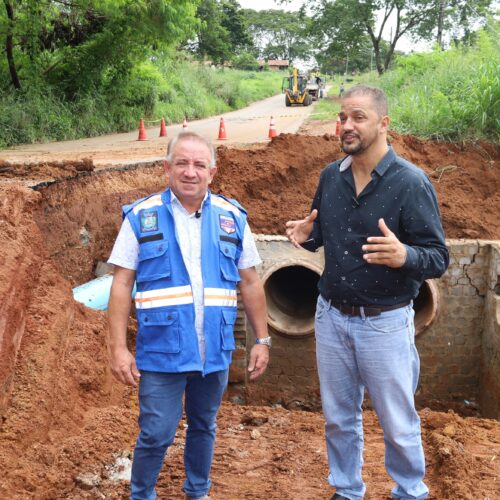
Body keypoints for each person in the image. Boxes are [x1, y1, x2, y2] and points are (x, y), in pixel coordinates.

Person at [285, 86, 449, 500]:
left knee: (396, 420)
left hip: (384, 323)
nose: (347, 125)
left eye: (358, 117)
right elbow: (321, 235)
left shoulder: (411, 183)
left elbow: (438, 257)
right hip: (331, 318)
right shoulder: (330, 178)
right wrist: (305, 236)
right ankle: (347, 489)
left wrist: (404, 254)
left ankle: (410, 490)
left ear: (383, 124)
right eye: (343, 117)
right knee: (339, 418)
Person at [107, 131, 271, 500]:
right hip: (162, 351)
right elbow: (121, 285)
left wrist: (262, 339)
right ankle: (142, 494)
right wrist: (118, 348)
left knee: (204, 424)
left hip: (214, 349)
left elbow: (250, 282)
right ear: (167, 168)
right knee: (156, 431)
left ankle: (198, 491)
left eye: (199, 165)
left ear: (212, 172)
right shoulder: (141, 217)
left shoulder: (233, 219)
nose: (190, 172)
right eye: (182, 163)